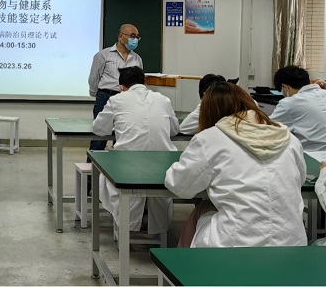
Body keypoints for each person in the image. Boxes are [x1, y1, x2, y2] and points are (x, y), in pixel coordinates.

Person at [165, 82, 307, 248]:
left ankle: (184, 267)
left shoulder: (210, 139)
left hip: (235, 246)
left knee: (203, 208)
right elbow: (301, 180)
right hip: (292, 243)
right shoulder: (288, 138)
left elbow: (179, 186)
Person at [92, 66, 178, 236]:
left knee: (104, 173)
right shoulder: (163, 100)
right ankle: (156, 227)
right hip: (163, 164)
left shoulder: (117, 100)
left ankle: (124, 226)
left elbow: (99, 129)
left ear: (121, 86)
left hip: (128, 166)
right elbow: (174, 130)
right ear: (145, 82)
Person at [88, 24, 143, 154]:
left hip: (129, 100)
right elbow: (93, 79)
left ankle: (116, 172)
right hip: (106, 97)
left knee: (123, 138)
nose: (134, 40)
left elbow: (139, 81)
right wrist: (99, 94)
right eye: (132, 36)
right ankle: (91, 172)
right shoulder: (103, 55)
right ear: (120, 36)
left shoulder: (137, 59)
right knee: (99, 138)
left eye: (137, 37)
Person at [269, 65, 326, 152]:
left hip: (311, 154)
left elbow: (268, 127)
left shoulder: (289, 103)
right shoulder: (323, 93)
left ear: (285, 87)